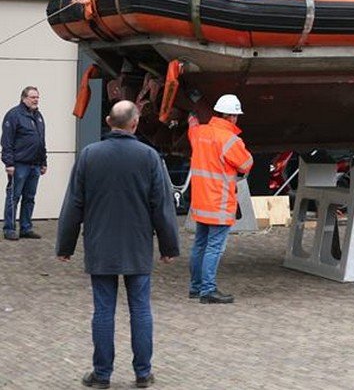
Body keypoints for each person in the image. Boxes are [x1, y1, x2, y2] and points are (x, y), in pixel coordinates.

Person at [56, 100, 180, 389]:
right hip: (137, 245)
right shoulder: (149, 157)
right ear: (134, 124)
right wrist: (168, 246)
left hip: (100, 245)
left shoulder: (89, 155)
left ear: (110, 122)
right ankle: (143, 373)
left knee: (103, 311)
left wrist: (66, 245)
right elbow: (161, 205)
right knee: (140, 309)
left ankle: (101, 375)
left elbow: (74, 203)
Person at [188, 94, 254, 303]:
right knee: (214, 247)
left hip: (200, 201)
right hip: (219, 203)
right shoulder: (230, 140)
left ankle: (196, 288)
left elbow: (192, 126)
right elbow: (246, 165)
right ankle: (208, 290)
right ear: (233, 117)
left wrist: (193, 113)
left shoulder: (199, 133)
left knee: (200, 245)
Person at [3, 86, 47, 241]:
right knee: (13, 197)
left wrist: (43, 162)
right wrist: (8, 163)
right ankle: (9, 228)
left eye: (37, 97)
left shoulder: (38, 116)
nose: (36, 100)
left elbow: (41, 141)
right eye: (32, 97)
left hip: (35, 165)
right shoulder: (14, 115)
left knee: (29, 197)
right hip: (19, 165)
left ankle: (26, 228)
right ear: (24, 98)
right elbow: (6, 141)